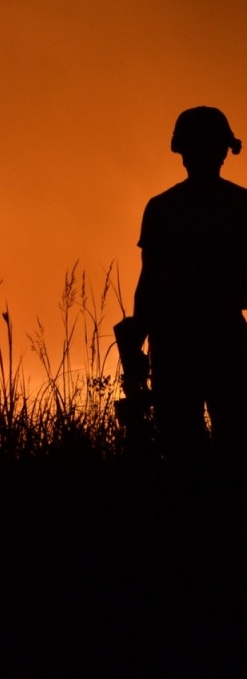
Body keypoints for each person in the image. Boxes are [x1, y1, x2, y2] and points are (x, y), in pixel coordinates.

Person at [122, 106, 247, 461]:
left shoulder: (163, 208)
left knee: (183, 450)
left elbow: (149, 283)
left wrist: (137, 343)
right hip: (225, 337)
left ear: (181, 151)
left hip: (176, 341)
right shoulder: (240, 205)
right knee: (234, 446)